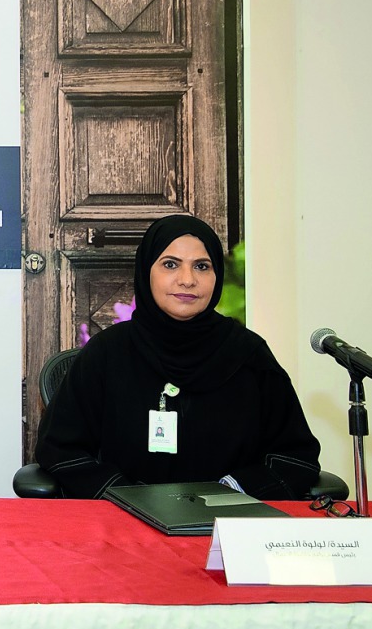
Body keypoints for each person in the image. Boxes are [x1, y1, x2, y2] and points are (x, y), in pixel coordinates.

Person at [35, 214, 322, 500]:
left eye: (202, 266)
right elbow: (60, 449)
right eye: (170, 264)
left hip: (226, 525)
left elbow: (295, 456)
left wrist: (230, 490)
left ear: (217, 275)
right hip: (125, 525)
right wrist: (125, 496)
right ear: (146, 270)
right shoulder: (107, 353)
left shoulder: (249, 354)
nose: (187, 280)